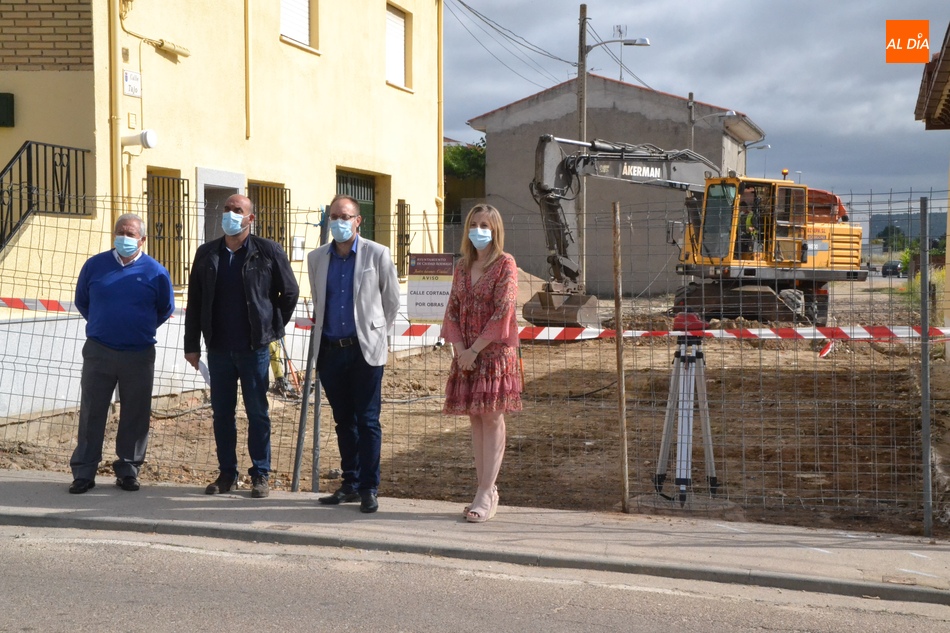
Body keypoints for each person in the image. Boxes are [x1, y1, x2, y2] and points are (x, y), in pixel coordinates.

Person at [184, 194, 299, 499]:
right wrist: (191, 345)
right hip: (218, 348)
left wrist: (271, 326)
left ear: (250, 219)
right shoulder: (208, 254)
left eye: (238, 211)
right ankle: (227, 474)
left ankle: (260, 474)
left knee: (257, 412)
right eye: (227, 209)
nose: (230, 214)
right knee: (222, 414)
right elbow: (195, 302)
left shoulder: (268, 251)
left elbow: (289, 292)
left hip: (254, 349)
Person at [307, 194, 400, 514]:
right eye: (334, 216)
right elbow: (319, 302)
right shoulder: (316, 258)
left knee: (368, 421)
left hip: (365, 352)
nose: (338, 222)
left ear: (358, 221)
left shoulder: (378, 254)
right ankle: (349, 483)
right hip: (331, 352)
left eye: (345, 217)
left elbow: (391, 302)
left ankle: (368, 488)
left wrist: (375, 335)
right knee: (343, 420)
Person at [69, 213, 175, 494]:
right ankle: (84, 472)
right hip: (99, 351)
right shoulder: (95, 266)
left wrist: (136, 328)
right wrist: (105, 325)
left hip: (138, 354)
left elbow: (164, 308)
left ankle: (128, 470)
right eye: (120, 232)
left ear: (143, 239)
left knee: (135, 414)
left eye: (130, 234)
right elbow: (83, 301)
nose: (124, 238)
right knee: (92, 412)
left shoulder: (156, 271)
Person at [441, 203, 522, 523]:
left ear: (496, 230)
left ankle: (487, 492)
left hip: (494, 355)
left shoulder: (505, 264)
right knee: (475, 418)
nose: (479, 230)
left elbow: (504, 310)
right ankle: (483, 487)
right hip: (467, 356)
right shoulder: (462, 266)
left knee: (492, 418)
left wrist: (474, 350)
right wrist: (462, 350)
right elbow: (452, 309)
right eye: (474, 224)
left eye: (486, 225)